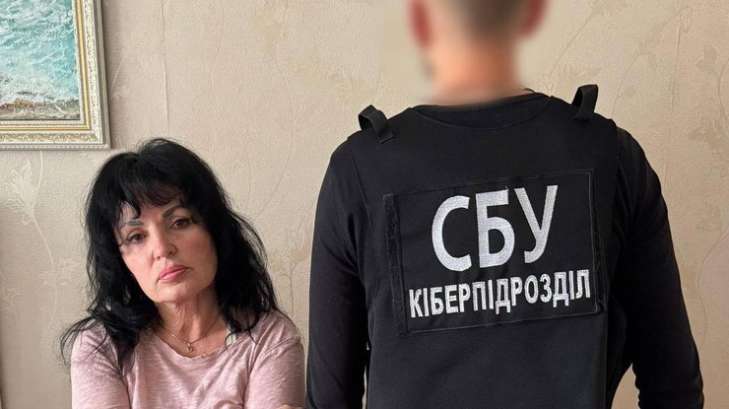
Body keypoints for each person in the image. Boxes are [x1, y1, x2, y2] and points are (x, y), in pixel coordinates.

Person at [306, 1, 703, 408]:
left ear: (420, 20)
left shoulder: (357, 172)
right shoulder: (612, 157)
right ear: (532, 13)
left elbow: (330, 399)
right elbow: (675, 389)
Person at [60, 138, 304, 409]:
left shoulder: (270, 337)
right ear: (120, 260)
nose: (162, 248)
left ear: (215, 230)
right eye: (136, 236)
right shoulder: (101, 346)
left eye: (179, 222)